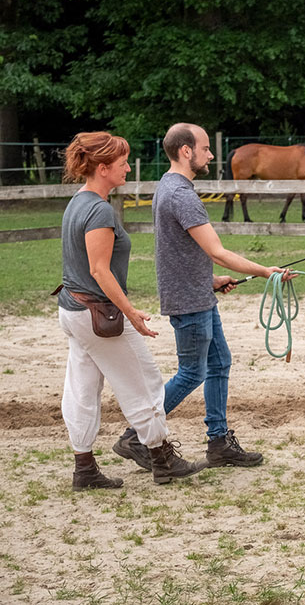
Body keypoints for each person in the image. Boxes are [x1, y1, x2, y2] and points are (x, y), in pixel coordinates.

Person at [114, 123, 292, 470]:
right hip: (189, 301)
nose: (211, 155)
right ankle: (136, 434)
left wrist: (210, 281)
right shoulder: (181, 194)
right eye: (206, 149)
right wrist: (265, 271)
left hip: (197, 293)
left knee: (219, 363)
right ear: (186, 151)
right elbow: (217, 251)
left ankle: (219, 441)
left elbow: (178, 251)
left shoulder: (168, 186)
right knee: (192, 373)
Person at [57, 131, 205, 489]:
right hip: (99, 316)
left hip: (73, 311)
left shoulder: (77, 202)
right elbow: (99, 270)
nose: (127, 168)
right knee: (144, 383)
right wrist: (132, 312)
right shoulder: (98, 210)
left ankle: (84, 468)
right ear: (103, 168)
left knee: (82, 389)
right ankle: (161, 458)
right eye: (122, 163)